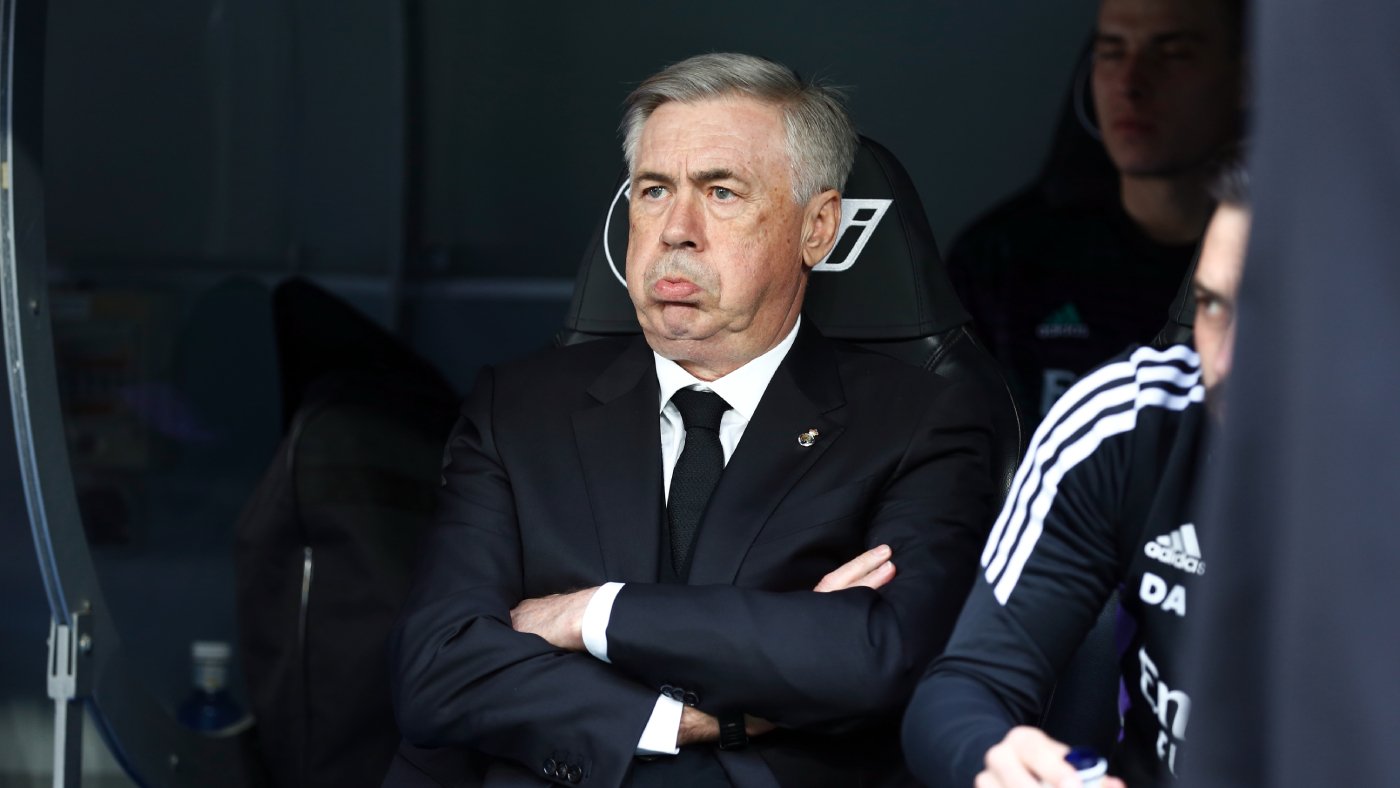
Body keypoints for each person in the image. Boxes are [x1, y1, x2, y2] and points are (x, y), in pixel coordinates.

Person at [386, 53, 995, 788]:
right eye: (653, 190)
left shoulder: (917, 420)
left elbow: (881, 656)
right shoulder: (517, 408)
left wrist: (594, 616)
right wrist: (709, 707)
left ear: (817, 228)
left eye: (721, 192)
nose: (676, 229)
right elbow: (436, 669)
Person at [901, 160, 1250, 788]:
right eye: (1214, 306)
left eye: (1275, 315)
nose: (1224, 362)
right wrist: (996, 758)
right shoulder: (1127, 420)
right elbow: (966, 688)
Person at [947, 0, 1245, 427]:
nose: (1130, 82)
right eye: (1111, 52)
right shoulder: (1000, 263)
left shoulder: (1296, 266)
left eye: (1173, 53)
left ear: (1246, 76)